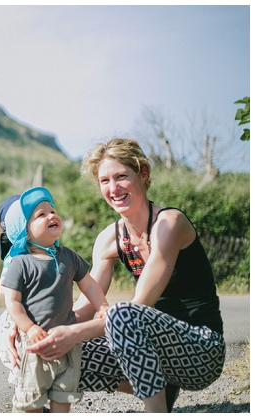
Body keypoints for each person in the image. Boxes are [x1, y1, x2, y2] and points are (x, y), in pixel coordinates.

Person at [16, 138, 225, 412]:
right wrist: (33, 330)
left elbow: (139, 308)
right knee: (56, 348)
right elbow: (83, 310)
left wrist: (73, 333)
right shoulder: (108, 240)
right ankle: (159, 390)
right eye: (104, 180)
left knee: (121, 314)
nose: (113, 188)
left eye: (121, 177)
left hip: (200, 351)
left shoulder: (169, 224)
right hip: (154, 356)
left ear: (143, 174)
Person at [0, 186, 110, 412]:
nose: (52, 215)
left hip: (67, 339)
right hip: (33, 343)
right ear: (24, 231)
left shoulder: (68, 256)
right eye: (41, 214)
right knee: (31, 398)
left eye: (53, 210)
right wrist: (28, 328)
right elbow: (13, 302)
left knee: (63, 394)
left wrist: (103, 306)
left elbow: (87, 283)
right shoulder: (21, 263)